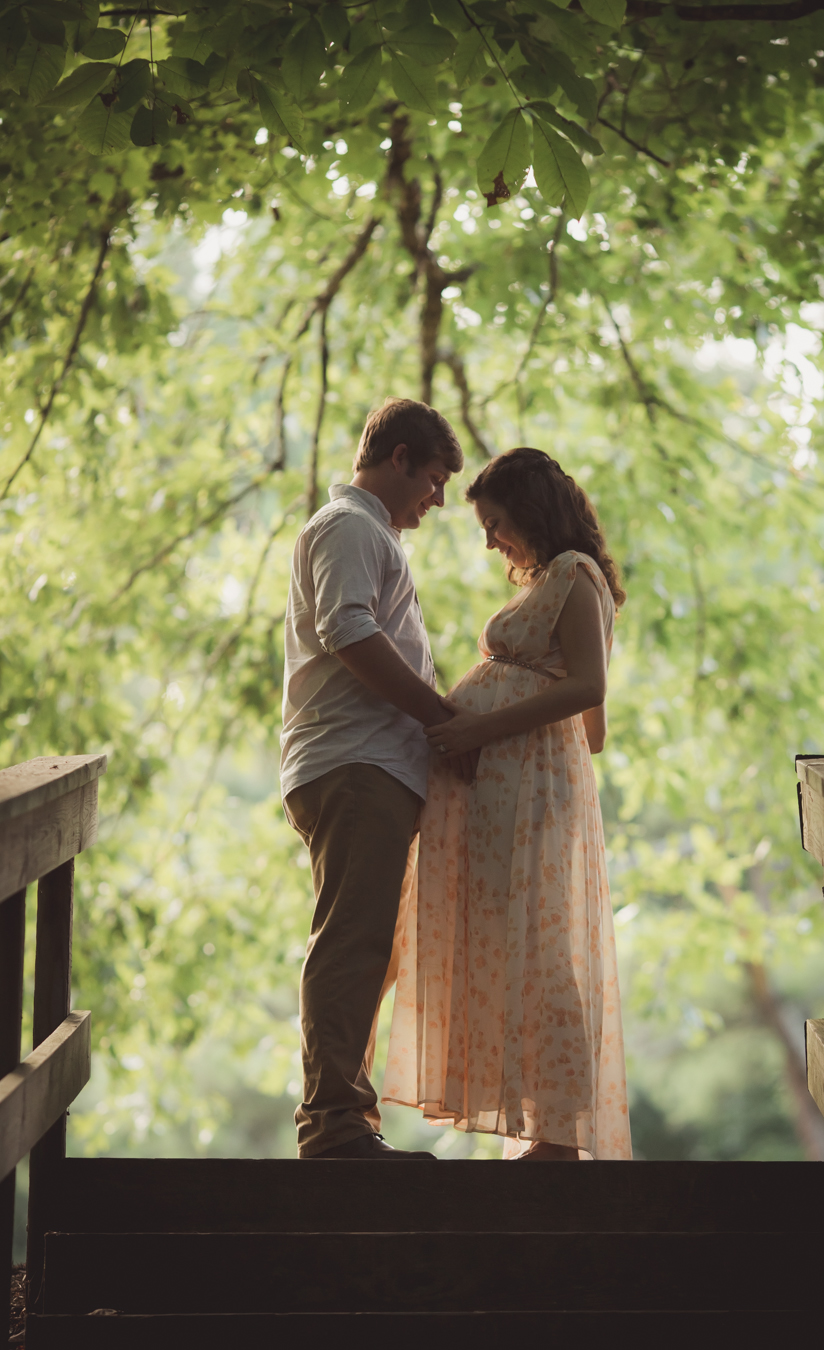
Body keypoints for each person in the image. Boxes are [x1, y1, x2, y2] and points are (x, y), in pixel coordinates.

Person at [384, 447, 632, 1161]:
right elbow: (591, 729)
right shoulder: (548, 583)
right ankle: (537, 1118)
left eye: (495, 523)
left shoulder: (573, 576)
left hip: (530, 790)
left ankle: (560, 1132)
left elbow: (590, 695)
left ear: (530, 510)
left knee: (546, 948)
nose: (490, 540)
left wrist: (482, 727)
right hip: (508, 788)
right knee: (513, 944)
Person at [281, 396, 464, 1159]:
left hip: (370, 766)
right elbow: (347, 628)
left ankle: (346, 1118)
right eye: (432, 479)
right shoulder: (351, 528)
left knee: (370, 944)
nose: (438, 499)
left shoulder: (366, 533)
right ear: (398, 460)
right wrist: (442, 719)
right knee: (353, 939)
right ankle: (332, 1126)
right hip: (356, 764)